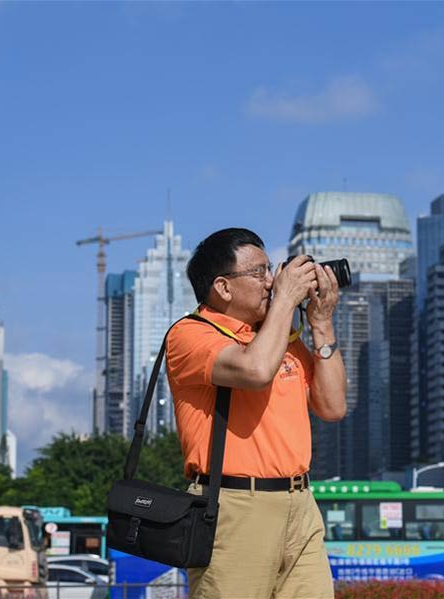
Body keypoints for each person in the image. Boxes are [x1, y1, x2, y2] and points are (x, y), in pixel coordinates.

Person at [165, 228, 347, 599]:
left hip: (300, 503)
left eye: (270, 270)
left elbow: (333, 407)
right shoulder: (190, 334)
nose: (271, 282)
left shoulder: (278, 336)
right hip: (233, 505)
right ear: (223, 287)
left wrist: (322, 324)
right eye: (258, 272)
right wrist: (286, 299)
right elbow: (255, 370)